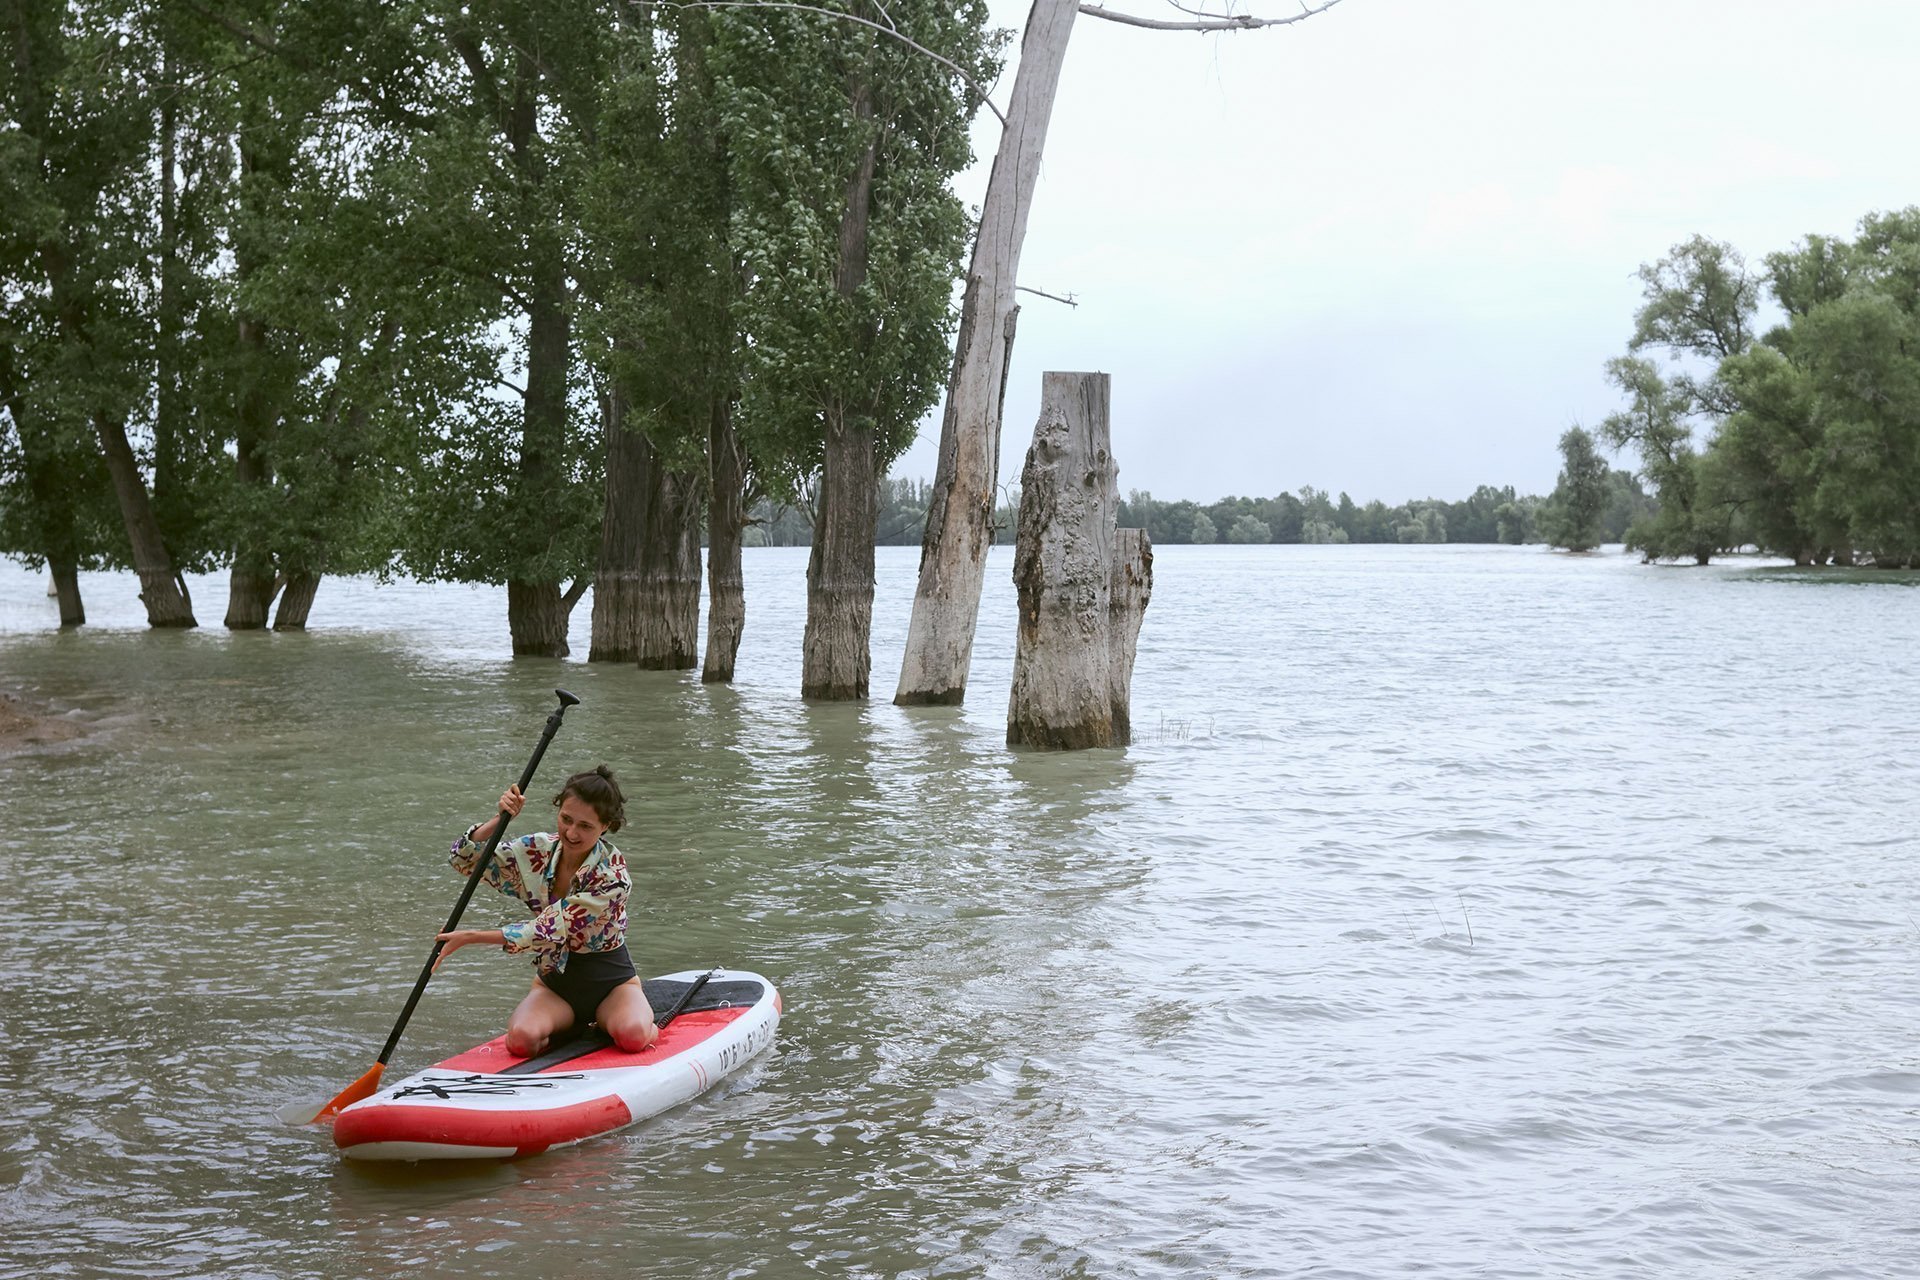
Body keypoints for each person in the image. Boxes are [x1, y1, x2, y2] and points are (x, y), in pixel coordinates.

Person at [435, 765, 659, 1058]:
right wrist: (500, 818)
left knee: (633, 1036)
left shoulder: (612, 876)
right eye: (566, 819)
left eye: (585, 826)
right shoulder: (538, 850)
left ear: (605, 826)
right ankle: (571, 1029)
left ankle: (640, 1021)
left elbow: (545, 930)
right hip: (556, 983)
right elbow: (464, 859)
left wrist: (472, 936)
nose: (571, 832)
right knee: (520, 1041)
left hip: (611, 983)